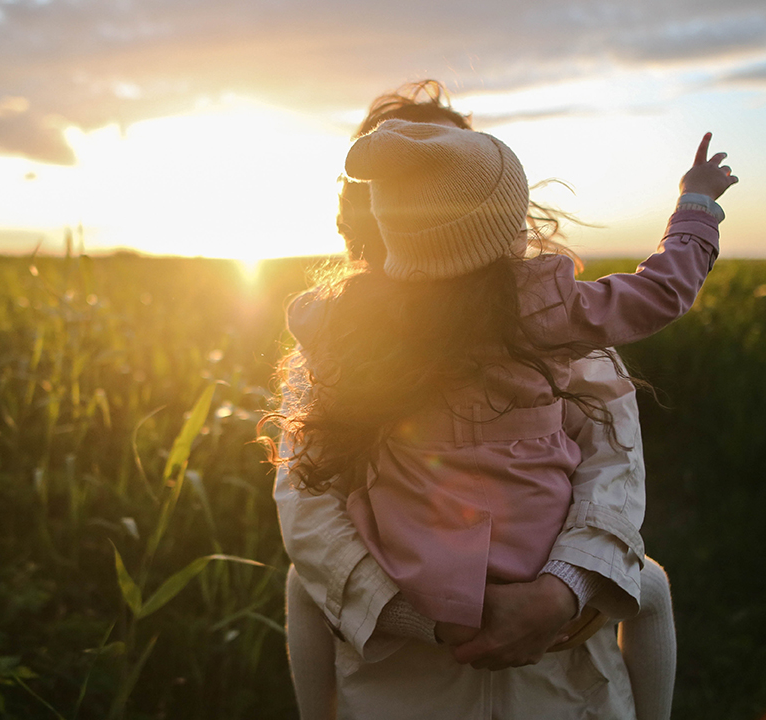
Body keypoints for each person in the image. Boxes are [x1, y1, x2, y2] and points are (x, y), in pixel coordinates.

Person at [269, 82, 733, 719]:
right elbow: (308, 505)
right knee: (647, 583)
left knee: (645, 581)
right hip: (400, 673)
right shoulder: (547, 312)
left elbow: (612, 467)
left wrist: (559, 593)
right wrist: (697, 211)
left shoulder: (348, 326)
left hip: (556, 670)